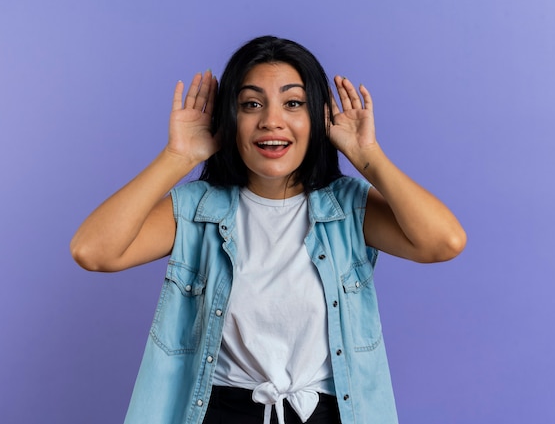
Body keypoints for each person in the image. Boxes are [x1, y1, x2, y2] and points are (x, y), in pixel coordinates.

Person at [71, 36, 466, 424]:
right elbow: (93, 251)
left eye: (293, 103)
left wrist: (368, 157)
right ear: (230, 119)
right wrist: (177, 157)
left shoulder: (346, 207)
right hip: (219, 412)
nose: (271, 121)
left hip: (327, 413)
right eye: (251, 104)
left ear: (318, 117)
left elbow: (443, 242)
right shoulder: (198, 209)